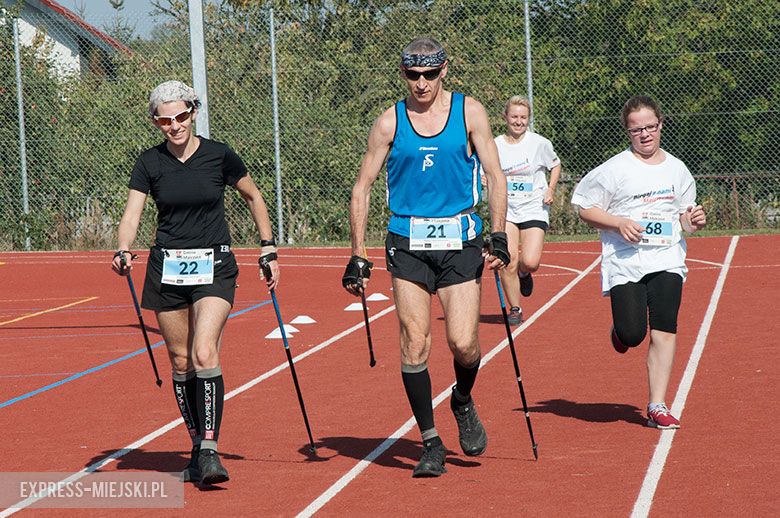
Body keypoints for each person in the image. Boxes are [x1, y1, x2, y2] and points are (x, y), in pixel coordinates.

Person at [342, 37, 510, 477]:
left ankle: (462, 399)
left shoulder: (469, 112)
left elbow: (494, 174)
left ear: (444, 71)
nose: (421, 84)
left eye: (430, 75)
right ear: (404, 74)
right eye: (413, 75)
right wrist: (357, 255)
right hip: (407, 240)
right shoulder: (389, 123)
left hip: (459, 239)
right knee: (415, 342)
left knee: (463, 343)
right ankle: (430, 441)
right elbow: (362, 188)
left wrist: (498, 234)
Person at [111, 80, 280, 484]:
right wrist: (123, 247)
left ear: (193, 111)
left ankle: (209, 449)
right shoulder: (149, 163)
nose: (175, 125)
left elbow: (253, 196)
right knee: (181, 361)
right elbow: (133, 213)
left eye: (181, 116)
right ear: (156, 122)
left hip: (215, 266)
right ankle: (195, 445)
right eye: (165, 119)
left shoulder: (219, 155)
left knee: (204, 352)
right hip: (167, 268)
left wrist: (267, 247)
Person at [571, 95, 706, 429]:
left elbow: (685, 215)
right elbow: (583, 207)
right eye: (637, 130)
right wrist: (618, 223)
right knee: (632, 334)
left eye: (650, 127)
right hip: (626, 261)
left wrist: (691, 222)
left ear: (661, 124)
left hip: (667, 257)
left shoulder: (677, 169)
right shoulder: (614, 169)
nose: (645, 134)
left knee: (665, 328)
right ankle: (620, 330)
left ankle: (657, 405)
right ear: (627, 132)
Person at [493, 96, 561, 325]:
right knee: (508, 259)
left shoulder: (539, 143)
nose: (519, 121)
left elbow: (555, 164)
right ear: (505, 117)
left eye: (523, 117)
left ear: (528, 119)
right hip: (506, 208)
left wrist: (550, 189)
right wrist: (484, 178)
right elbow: (485, 168)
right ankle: (515, 307)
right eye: (514, 117)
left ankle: (524, 274)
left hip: (533, 206)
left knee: (530, 261)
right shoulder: (495, 145)